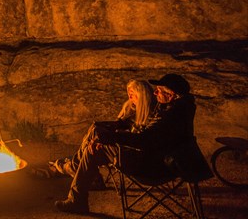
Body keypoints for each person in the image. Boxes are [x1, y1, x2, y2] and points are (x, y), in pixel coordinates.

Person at [54, 73, 196, 214]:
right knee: (96, 141)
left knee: (94, 150)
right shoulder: (176, 109)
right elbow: (146, 134)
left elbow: (142, 139)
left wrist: (107, 139)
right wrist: (111, 136)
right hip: (166, 160)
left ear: (170, 95)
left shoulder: (169, 115)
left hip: (153, 167)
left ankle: (76, 194)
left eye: (159, 90)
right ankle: (77, 184)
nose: (154, 92)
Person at [50, 79, 156, 178]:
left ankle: (69, 166)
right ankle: (74, 166)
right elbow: (118, 125)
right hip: (119, 144)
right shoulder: (130, 108)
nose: (129, 98)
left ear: (141, 95)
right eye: (129, 95)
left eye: (132, 95)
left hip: (129, 153)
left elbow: (136, 138)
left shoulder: (153, 114)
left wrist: (106, 139)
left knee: (93, 140)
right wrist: (104, 138)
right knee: (95, 128)